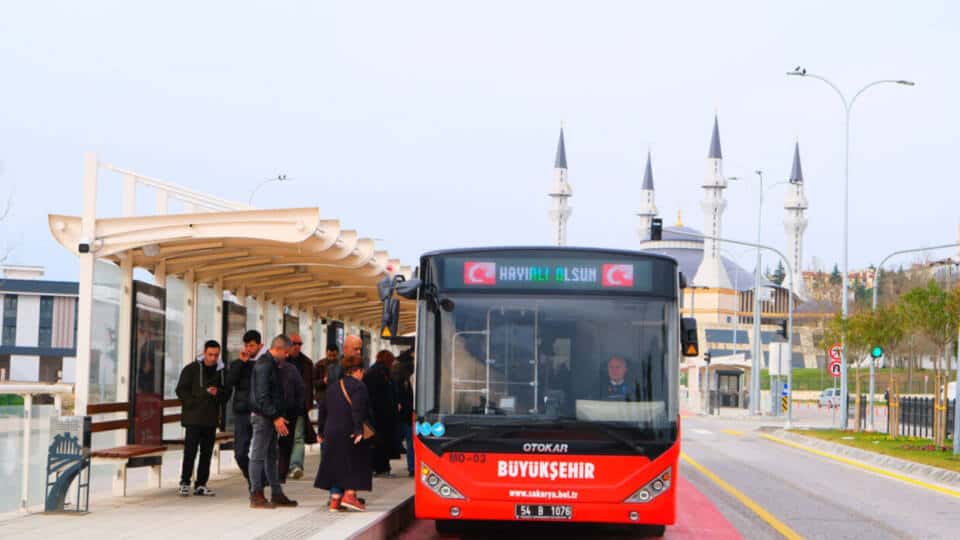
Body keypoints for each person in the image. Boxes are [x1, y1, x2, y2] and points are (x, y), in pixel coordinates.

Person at [314, 344, 373, 512]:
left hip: (331, 431)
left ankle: (335, 501)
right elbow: (358, 410)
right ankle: (350, 495)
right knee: (355, 462)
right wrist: (358, 430)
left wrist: (320, 431)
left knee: (335, 464)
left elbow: (322, 409)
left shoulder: (333, 387)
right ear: (358, 370)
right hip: (349, 430)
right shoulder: (359, 387)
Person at [248, 335, 298, 509]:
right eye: (286, 353)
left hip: (268, 416)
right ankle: (256, 494)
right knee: (258, 456)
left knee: (271, 456)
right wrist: (275, 416)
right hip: (263, 417)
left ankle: (276, 493)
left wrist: (277, 414)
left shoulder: (272, 364)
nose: (287, 356)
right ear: (279, 349)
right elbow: (262, 396)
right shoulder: (265, 365)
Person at [175, 340, 230, 497]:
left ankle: (201, 484)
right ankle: (184, 482)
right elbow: (180, 390)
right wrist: (195, 401)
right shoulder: (191, 369)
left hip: (211, 419)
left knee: (207, 452)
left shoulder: (221, 372)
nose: (213, 358)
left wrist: (217, 393)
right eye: (210, 354)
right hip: (193, 418)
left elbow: (226, 394)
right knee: (190, 451)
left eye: (216, 355)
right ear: (204, 353)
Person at [227, 330, 263, 487]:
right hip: (243, 412)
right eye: (247, 345)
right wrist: (241, 363)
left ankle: (257, 485)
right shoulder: (237, 364)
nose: (249, 349)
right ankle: (253, 479)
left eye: (252, 346)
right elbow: (229, 383)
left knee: (262, 452)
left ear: (259, 346)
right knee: (240, 453)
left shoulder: (265, 363)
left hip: (261, 413)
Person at [364, 350, 400, 477]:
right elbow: (386, 395)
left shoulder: (372, 371)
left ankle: (377, 468)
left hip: (375, 414)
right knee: (382, 443)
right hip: (383, 415)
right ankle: (382, 468)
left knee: (377, 442)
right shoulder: (383, 372)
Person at [286, 333, 317, 479]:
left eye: (300, 344)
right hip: (283, 407)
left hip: (299, 407)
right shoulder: (280, 361)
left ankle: (296, 466)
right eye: (294, 344)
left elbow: (310, 385)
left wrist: (308, 403)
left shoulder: (307, 363)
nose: (297, 347)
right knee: (283, 438)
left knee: (298, 437)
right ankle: (283, 466)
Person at [277, 344, 306, 482]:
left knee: (292, 440)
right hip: (273, 412)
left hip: (291, 412)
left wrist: (298, 407)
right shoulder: (266, 366)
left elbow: (301, 389)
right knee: (277, 443)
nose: (297, 347)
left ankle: (290, 468)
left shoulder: (298, 366)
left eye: (299, 344)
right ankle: (278, 472)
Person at [392, 358, 415, 476]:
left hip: (402, 415)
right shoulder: (403, 381)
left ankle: (412, 467)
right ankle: (412, 467)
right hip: (407, 416)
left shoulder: (397, 379)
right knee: (411, 442)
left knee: (409, 441)